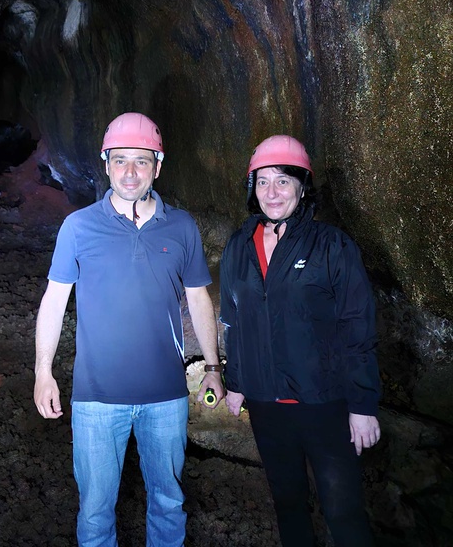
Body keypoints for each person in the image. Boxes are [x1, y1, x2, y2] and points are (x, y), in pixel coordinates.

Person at [34, 112, 224, 547]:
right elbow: (54, 301)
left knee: (168, 502)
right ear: (106, 164)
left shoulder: (181, 227)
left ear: (158, 165)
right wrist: (43, 371)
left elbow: (198, 299)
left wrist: (212, 366)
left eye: (141, 161)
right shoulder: (79, 227)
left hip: (166, 397)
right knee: (97, 512)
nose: (130, 172)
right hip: (97, 398)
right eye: (120, 160)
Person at [220, 135, 381, 547]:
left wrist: (362, 405)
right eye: (262, 182)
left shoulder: (331, 245)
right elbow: (233, 321)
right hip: (265, 404)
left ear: (302, 186)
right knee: (288, 504)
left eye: (283, 181)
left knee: (343, 511)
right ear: (251, 189)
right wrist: (236, 382)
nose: (271, 193)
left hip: (323, 404)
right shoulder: (239, 246)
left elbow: (356, 325)